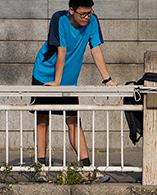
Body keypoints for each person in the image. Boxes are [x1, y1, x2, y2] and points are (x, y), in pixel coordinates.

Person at [30, 0, 119, 181]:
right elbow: (61, 49)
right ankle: (40, 167)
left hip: (68, 80)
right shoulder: (59, 18)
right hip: (45, 75)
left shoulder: (92, 21)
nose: (86, 17)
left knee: (74, 121)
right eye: (82, 14)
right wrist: (56, 81)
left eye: (89, 12)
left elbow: (96, 49)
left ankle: (87, 168)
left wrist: (107, 79)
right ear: (71, 10)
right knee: (42, 119)